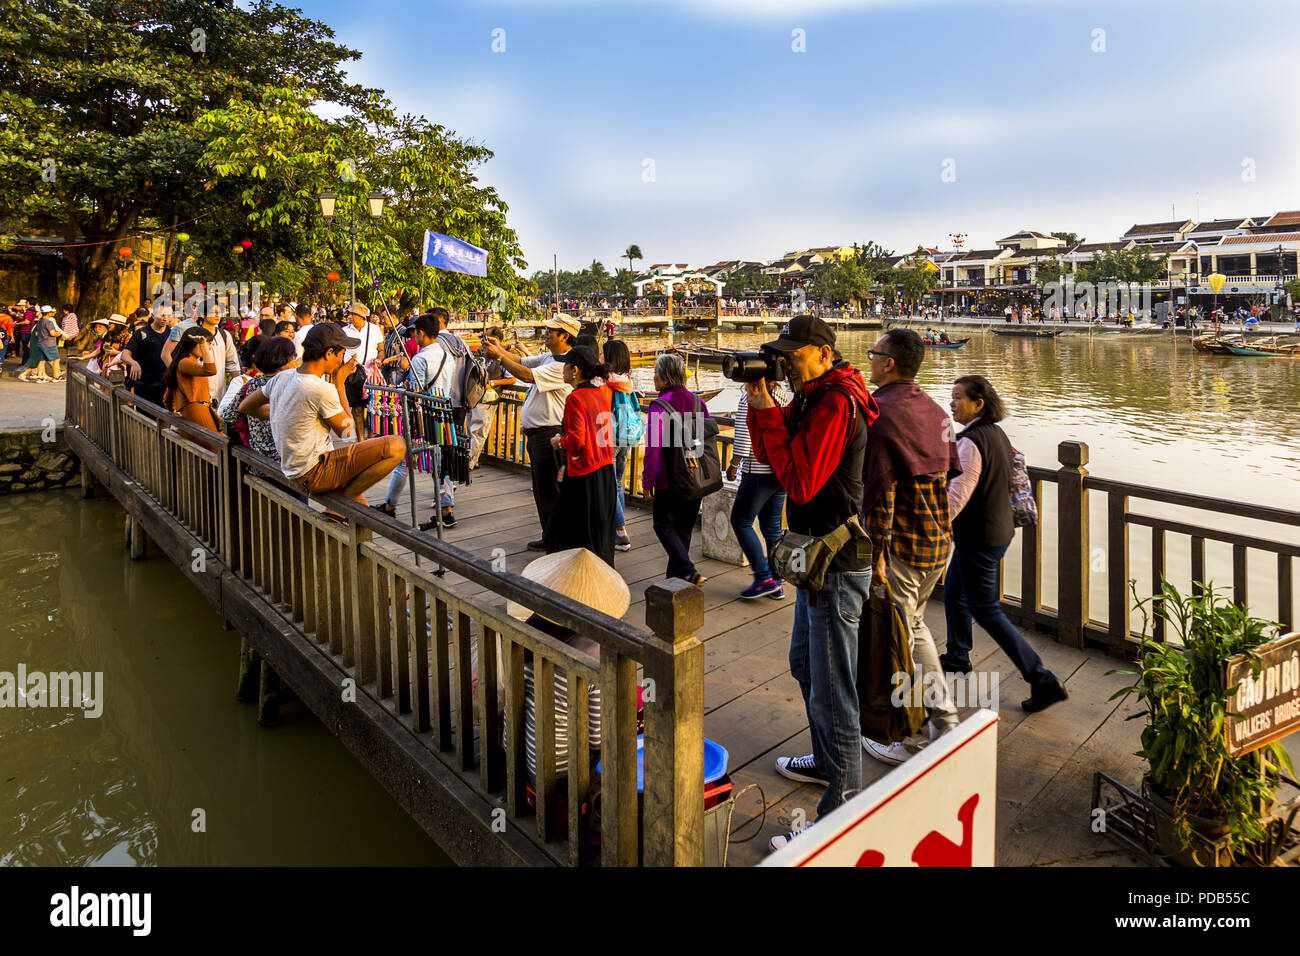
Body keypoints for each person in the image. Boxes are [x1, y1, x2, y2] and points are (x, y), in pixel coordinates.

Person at [745, 315, 876, 849]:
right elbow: (767, 458)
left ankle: (839, 820)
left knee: (834, 692)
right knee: (806, 667)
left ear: (823, 352)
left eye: (793, 355)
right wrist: (762, 406)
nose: (786, 362)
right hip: (815, 561)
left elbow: (799, 480)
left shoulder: (836, 403)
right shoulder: (812, 396)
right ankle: (827, 762)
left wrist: (774, 412)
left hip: (837, 565)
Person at [862, 328, 962, 766]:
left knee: (906, 639)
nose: (869, 361)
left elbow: (881, 493)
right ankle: (933, 729)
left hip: (902, 547)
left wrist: (878, 555)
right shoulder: (934, 409)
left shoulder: (880, 413)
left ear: (889, 363)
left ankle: (932, 733)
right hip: (939, 542)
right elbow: (949, 474)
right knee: (914, 631)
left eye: (873, 354)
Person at [941, 376, 1068, 713]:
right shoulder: (995, 433)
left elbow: (957, 497)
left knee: (986, 609)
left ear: (978, 403)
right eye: (951, 397)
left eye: (958, 398)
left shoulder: (970, 441)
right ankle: (957, 655)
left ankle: (1041, 678)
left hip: (980, 537)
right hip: (993, 532)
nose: (952, 403)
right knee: (954, 590)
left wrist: (931, 526)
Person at [238, 324, 405, 519]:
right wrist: (339, 382)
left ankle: (343, 510)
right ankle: (336, 507)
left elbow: (246, 407)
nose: (342, 359)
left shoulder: (282, 377)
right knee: (396, 445)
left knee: (361, 513)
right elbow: (347, 432)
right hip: (314, 472)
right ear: (329, 353)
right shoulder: (319, 388)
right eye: (341, 353)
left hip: (295, 469)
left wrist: (284, 413)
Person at [505, 548, 630, 784]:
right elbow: (596, 738)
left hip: (518, 756)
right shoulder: (595, 654)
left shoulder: (529, 635)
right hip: (560, 775)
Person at [482, 313, 578, 550]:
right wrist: (500, 350)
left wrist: (499, 357)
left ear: (565, 336)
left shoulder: (562, 365)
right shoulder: (550, 357)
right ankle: (550, 536)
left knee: (549, 492)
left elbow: (525, 375)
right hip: (540, 434)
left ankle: (557, 540)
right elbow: (523, 362)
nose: (546, 333)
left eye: (551, 331)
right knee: (542, 490)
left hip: (550, 435)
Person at [374, 311, 460, 524]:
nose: (413, 338)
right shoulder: (446, 354)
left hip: (423, 418)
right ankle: (447, 511)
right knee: (441, 462)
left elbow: (415, 393)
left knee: (404, 463)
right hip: (443, 414)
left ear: (421, 334)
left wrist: (405, 371)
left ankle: (390, 505)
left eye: (414, 334)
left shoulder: (420, 358)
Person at [543, 346, 616, 565]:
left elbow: (576, 439)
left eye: (565, 365)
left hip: (584, 473)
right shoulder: (601, 394)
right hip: (604, 470)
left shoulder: (576, 398)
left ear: (574, 370)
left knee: (561, 534)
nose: (562, 369)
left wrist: (558, 442)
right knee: (599, 532)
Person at [643, 352, 710, 586]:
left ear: (665, 377)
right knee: (683, 532)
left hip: (667, 480)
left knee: (662, 524)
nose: (653, 378)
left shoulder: (660, 405)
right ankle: (674, 582)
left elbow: (653, 450)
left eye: (655, 373)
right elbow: (703, 440)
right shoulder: (698, 401)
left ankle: (689, 571)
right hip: (694, 477)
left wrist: (647, 482)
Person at [727, 382, 790, 600]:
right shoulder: (782, 396)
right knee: (772, 528)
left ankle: (764, 577)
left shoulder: (750, 397)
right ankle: (777, 581)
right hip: (779, 471)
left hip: (758, 470)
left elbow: (744, 439)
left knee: (740, 521)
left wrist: (734, 465)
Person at [221, 335, 296, 460]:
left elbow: (228, 416)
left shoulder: (251, 384)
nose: (295, 360)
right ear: (283, 361)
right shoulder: (292, 385)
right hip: (286, 463)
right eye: (293, 356)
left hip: (257, 460)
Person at [601, 339, 637, 551]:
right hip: (628, 434)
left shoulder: (606, 381)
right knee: (617, 481)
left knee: (609, 482)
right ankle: (616, 528)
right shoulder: (627, 380)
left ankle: (621, 532)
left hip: (611, 435)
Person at [162, 328, 222, 445]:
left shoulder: (182, 362)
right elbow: (210, 370)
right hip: (197, 412)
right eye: (208, 343)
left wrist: (174, 412)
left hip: (193, 412)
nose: (209, 347)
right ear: (194, 343)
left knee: (214, 450)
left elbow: (168, 399)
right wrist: (203, 346)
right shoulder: (185, 362)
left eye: (209, 343)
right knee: (216, 450)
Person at [468, 325, 516, 469]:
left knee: (478, 432)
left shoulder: (503, 357)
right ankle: (473, 459)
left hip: (488, 399)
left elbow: (512, 379)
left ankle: (469, 463)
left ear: (497, 340)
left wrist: (493, 382)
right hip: (475, 398)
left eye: (488, 339)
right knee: (471, 431)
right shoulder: (483, 356)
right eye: (483, 338)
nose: (484, 341)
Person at [341, 302, 382, 441]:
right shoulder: (345, 331)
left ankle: (371, 438)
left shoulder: (374, 329)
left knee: (372, 408)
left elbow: (380, 349)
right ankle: (360, 441)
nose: (350, 317)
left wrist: (379, 360)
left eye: (353, 314)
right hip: (352, 373)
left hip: (370, 374)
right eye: (349, 314)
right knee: (357, 408)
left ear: (361, 316)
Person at [119, 305, 173, 406]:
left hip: (165, 385)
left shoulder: (172, 333)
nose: (165, 318)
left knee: (165, 419)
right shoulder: (141, 333)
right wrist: (133, 362)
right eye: (162, 315)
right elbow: (125, 354)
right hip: (144, 385)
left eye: (168, 315)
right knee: (145, 418)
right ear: (153, 315)